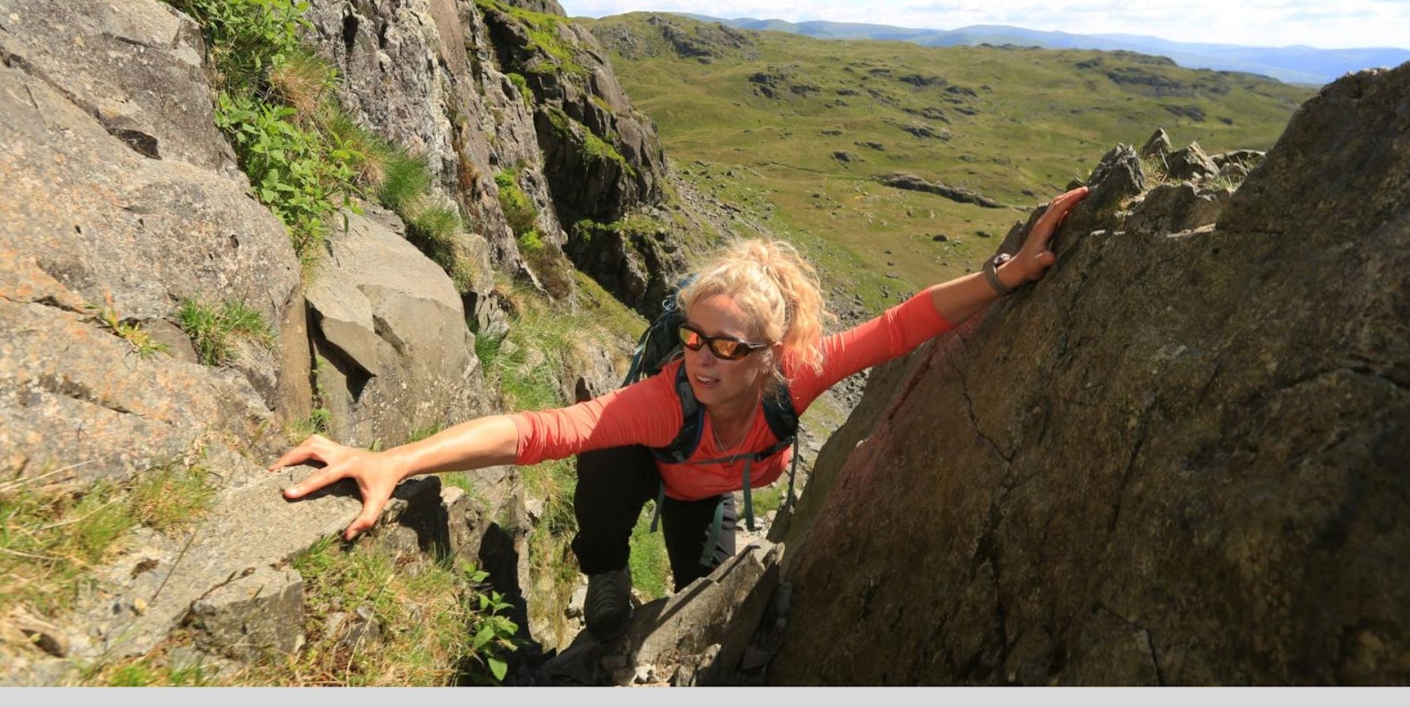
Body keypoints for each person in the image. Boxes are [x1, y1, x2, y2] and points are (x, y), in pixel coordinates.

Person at [270, 186, 1090, 641]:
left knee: (704, 585)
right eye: (695, 337)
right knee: (602, 451)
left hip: (708, 489)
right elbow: (532, 432)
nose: (702, 356)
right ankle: (606, 573)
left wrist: (1004, 276)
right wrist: (397, 461)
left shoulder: (796, 375)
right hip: (660, 458)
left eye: (728, 347)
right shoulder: (664, 401)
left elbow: (902, 325)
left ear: (771, 355)